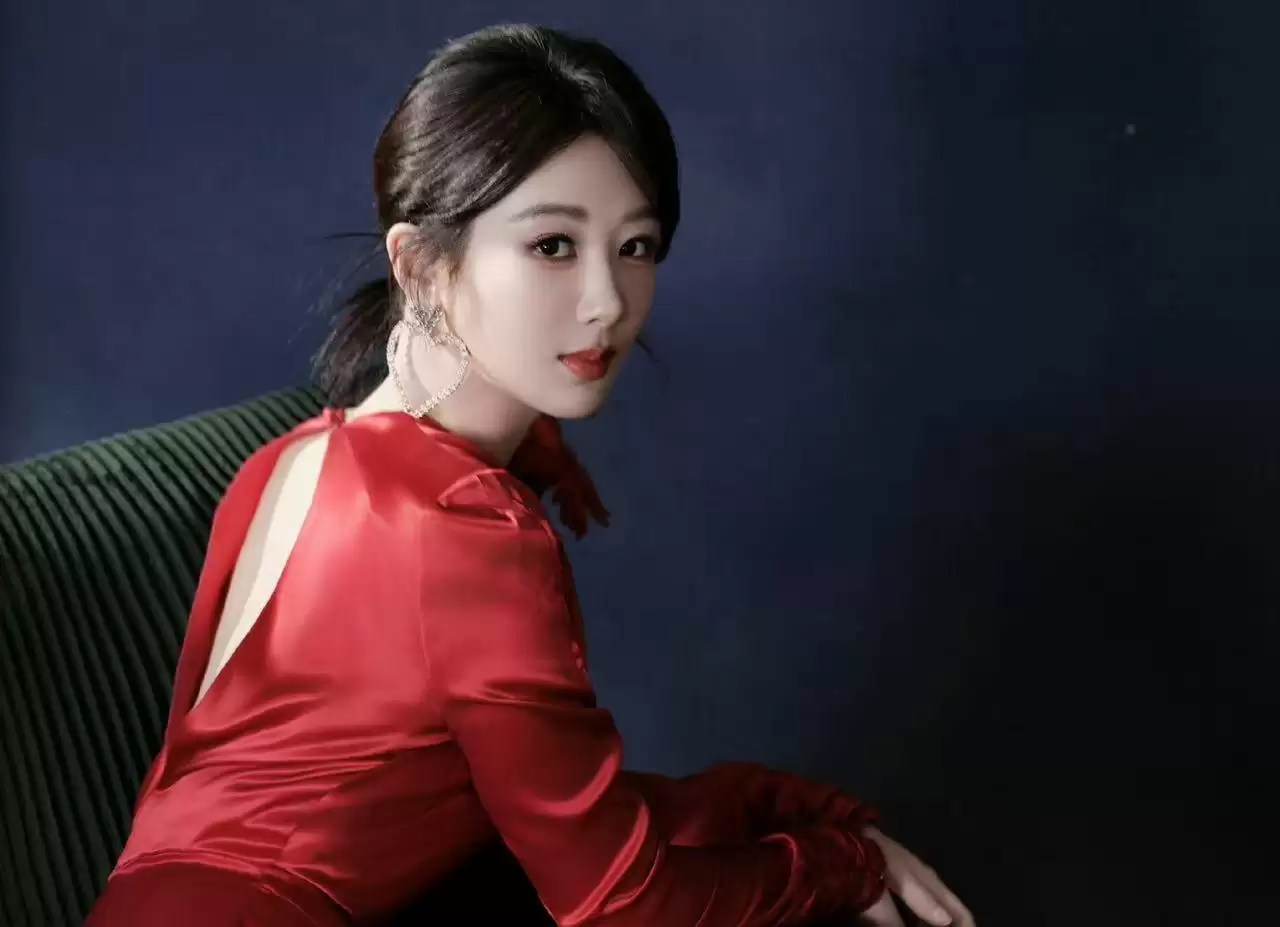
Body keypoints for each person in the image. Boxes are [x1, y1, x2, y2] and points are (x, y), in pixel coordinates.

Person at [86, 23, 974, 927]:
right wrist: (839, 865)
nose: (608, 301)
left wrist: (765, 809)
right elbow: (621, 902)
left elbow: (482, 806)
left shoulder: (289, 462)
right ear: (420, 264)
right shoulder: (461, 525)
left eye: (637, 246)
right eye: (553, 245)